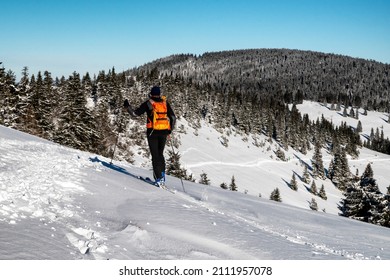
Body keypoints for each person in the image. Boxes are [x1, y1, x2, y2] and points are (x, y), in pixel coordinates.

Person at [123, 86, 176, 187]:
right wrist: (169, 131)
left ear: (151, 94)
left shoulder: (149, 103)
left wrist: (127, 106)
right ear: (159, 94)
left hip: (152, 133)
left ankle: (158, 179)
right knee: (160, 154)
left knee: (155, 156)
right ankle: (162, 176)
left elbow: (135, 114)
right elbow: (173, 118)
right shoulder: (165, 103)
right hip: (164, 132)